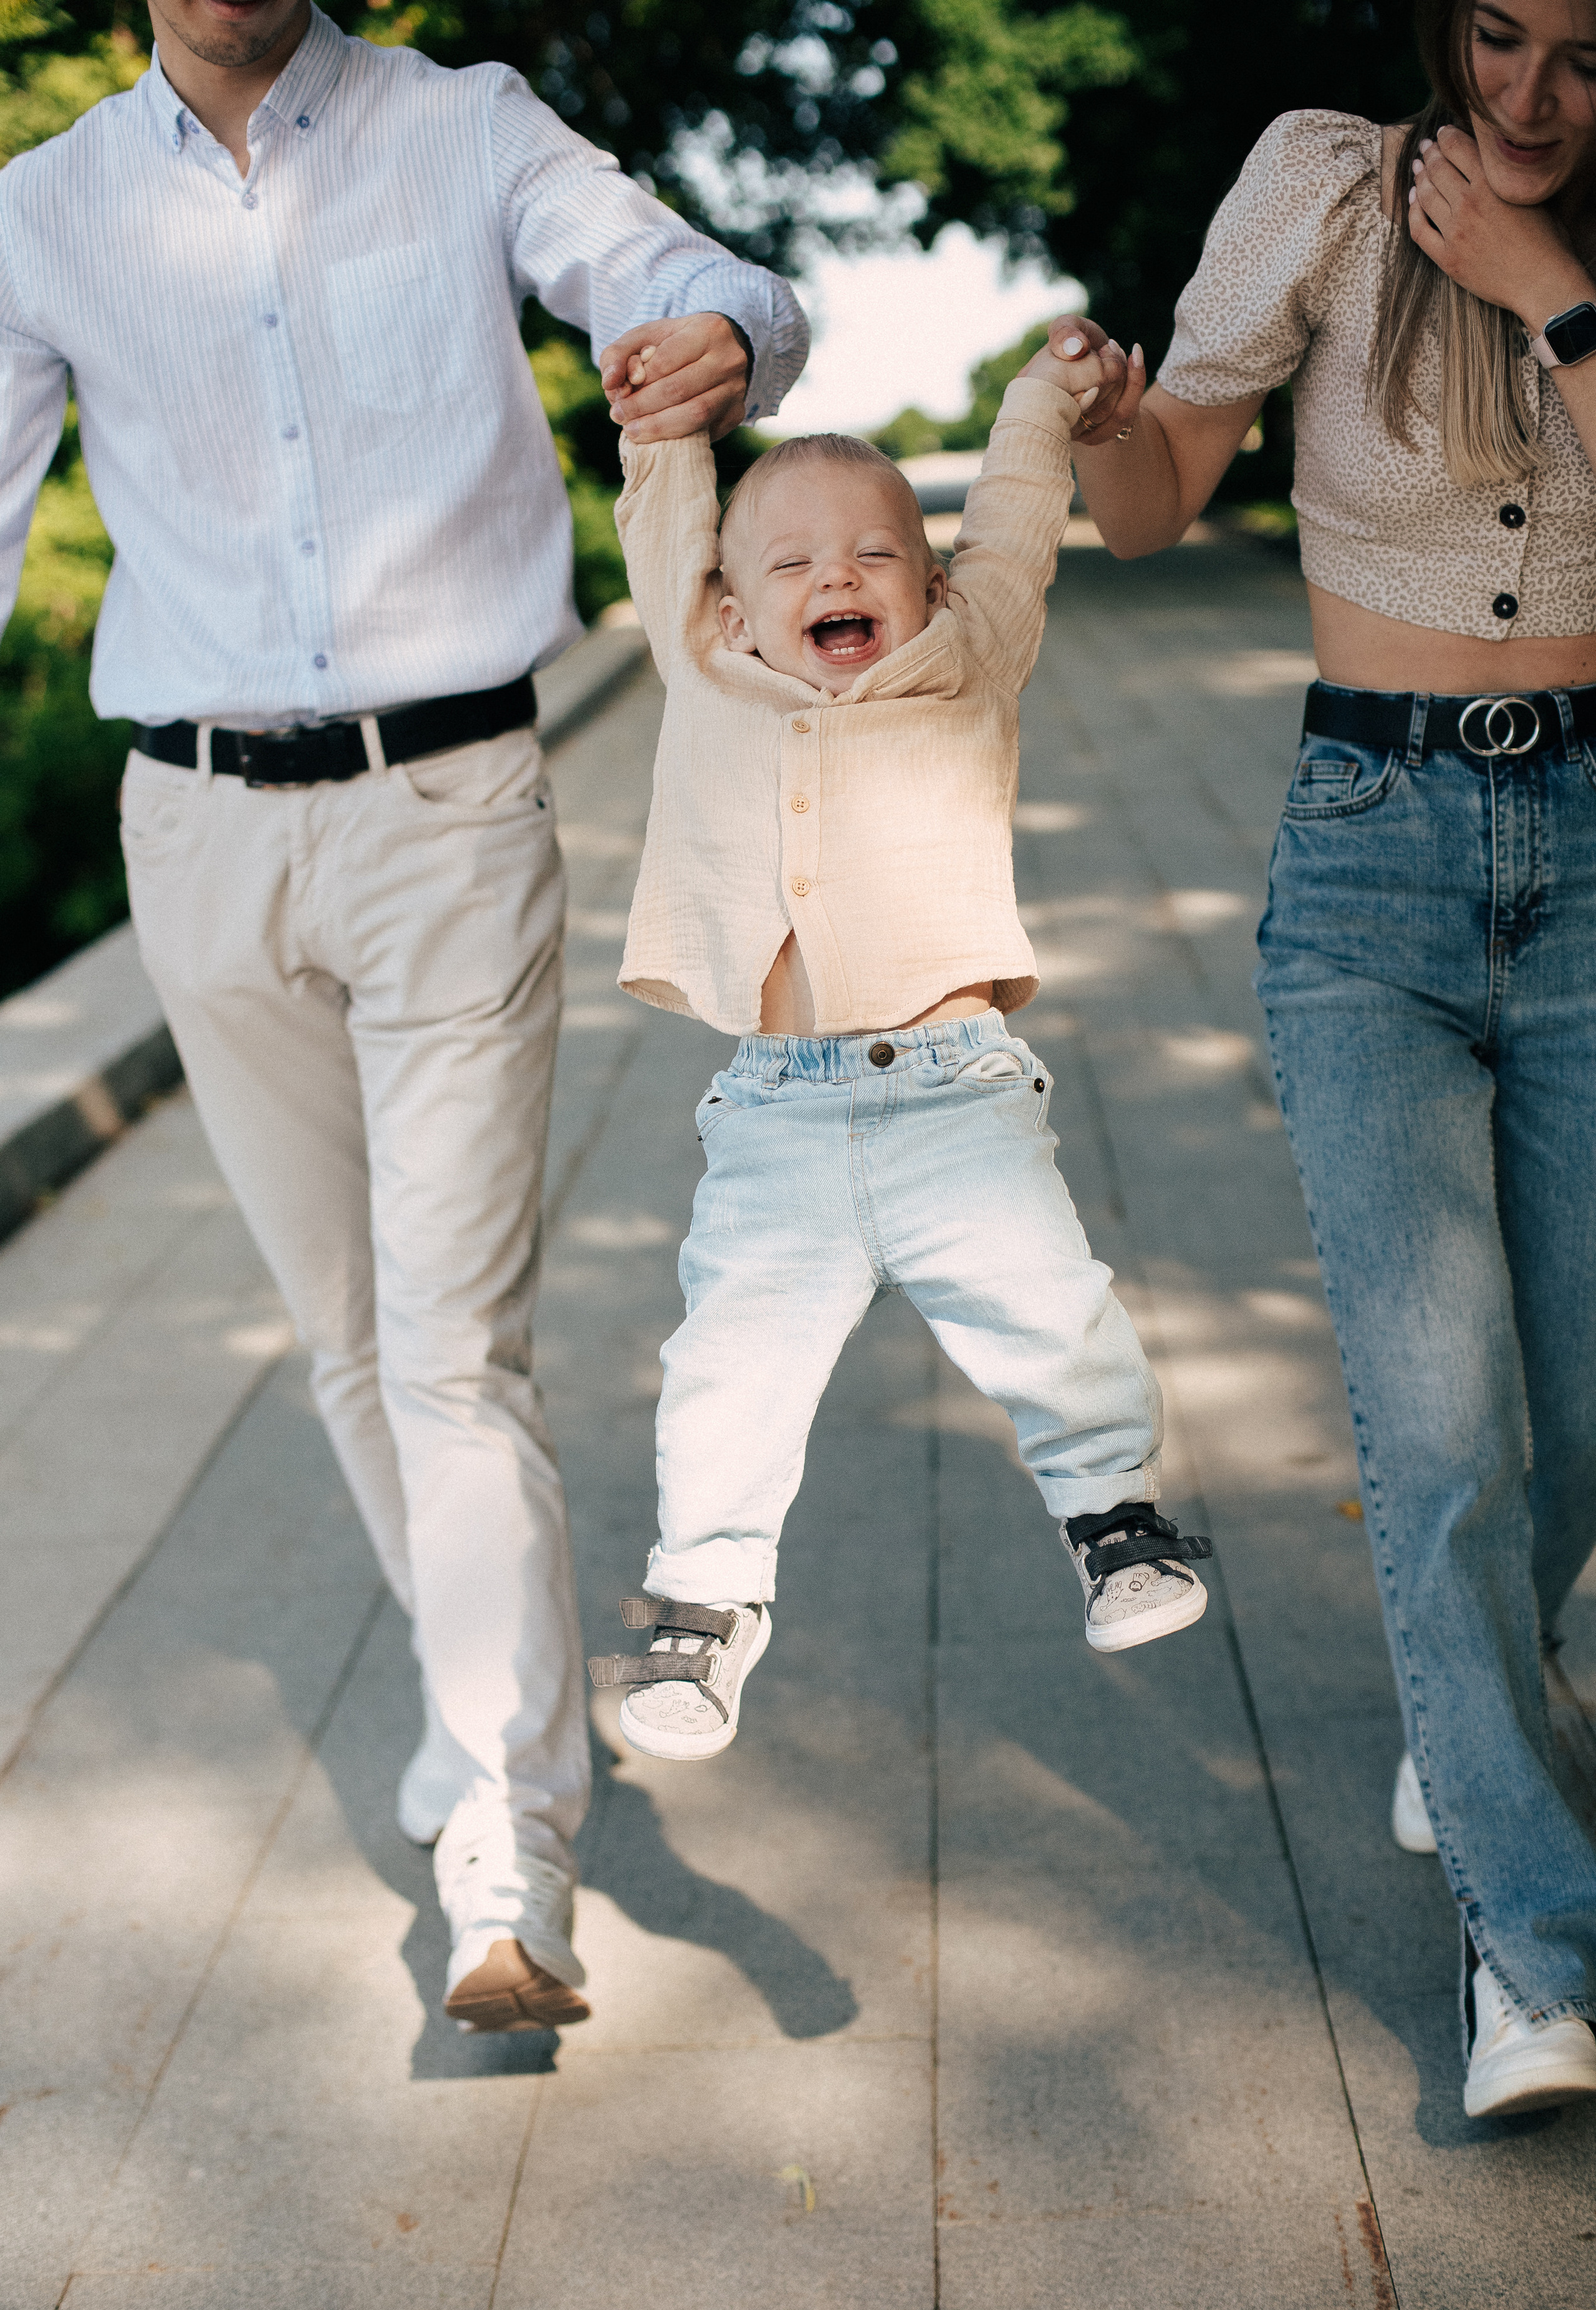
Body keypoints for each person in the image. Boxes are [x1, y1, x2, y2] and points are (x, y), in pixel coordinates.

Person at [0, 0, 807, 2033]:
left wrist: (730, 336)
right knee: (355, 1345)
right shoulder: (48, 211)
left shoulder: (467, 129)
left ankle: (504, 1849)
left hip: (448, 806)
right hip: (194, 833)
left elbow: (683, 274)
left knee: (453, 1353)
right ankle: (503, 1728)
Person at [1047, 0, 1596, 2118]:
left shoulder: (1578, 236)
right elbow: (1155, 504)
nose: (1533, 97)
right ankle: (1532, 1955)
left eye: (1584, 56)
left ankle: (1474, 1723)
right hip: (1367, 862)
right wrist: (1109, 413)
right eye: (1501, 38)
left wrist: (1553, 297)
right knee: (1446, 1429)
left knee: (1575, 1409)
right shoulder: (1317, 181)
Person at [583, 326, 1214, 1763]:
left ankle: (1113, 1519)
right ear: (729, 605)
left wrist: (1040, 399)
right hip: (774, 1113)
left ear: (930, 588)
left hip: (956, 1096)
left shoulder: (968, 654)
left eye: (873, 555)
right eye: (792, 566)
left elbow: (1010, 515)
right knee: (726, 1364)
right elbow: (669, 509)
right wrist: (665, 421)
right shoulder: (705, 662)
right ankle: (707, 1599)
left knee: (1049, 1307)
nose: (836, 581)